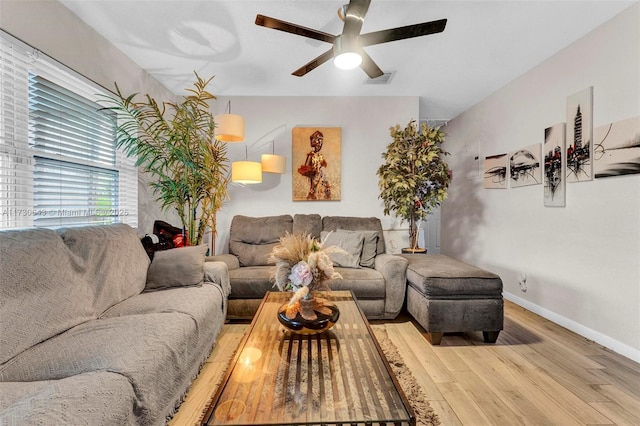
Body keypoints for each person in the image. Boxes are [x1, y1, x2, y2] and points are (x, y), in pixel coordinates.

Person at [297, 130, 331, 200]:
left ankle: (325, 197)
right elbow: (307, 166)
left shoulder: (320, 155)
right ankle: (310, 197)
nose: (320, 144)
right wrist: (311, 169)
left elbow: (324, 164)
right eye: (319, 141)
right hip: (314, 175)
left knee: (326, 187)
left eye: (321, 142)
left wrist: (323, 163)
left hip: (320, 174)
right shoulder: (311, 155)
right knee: (313, 188)